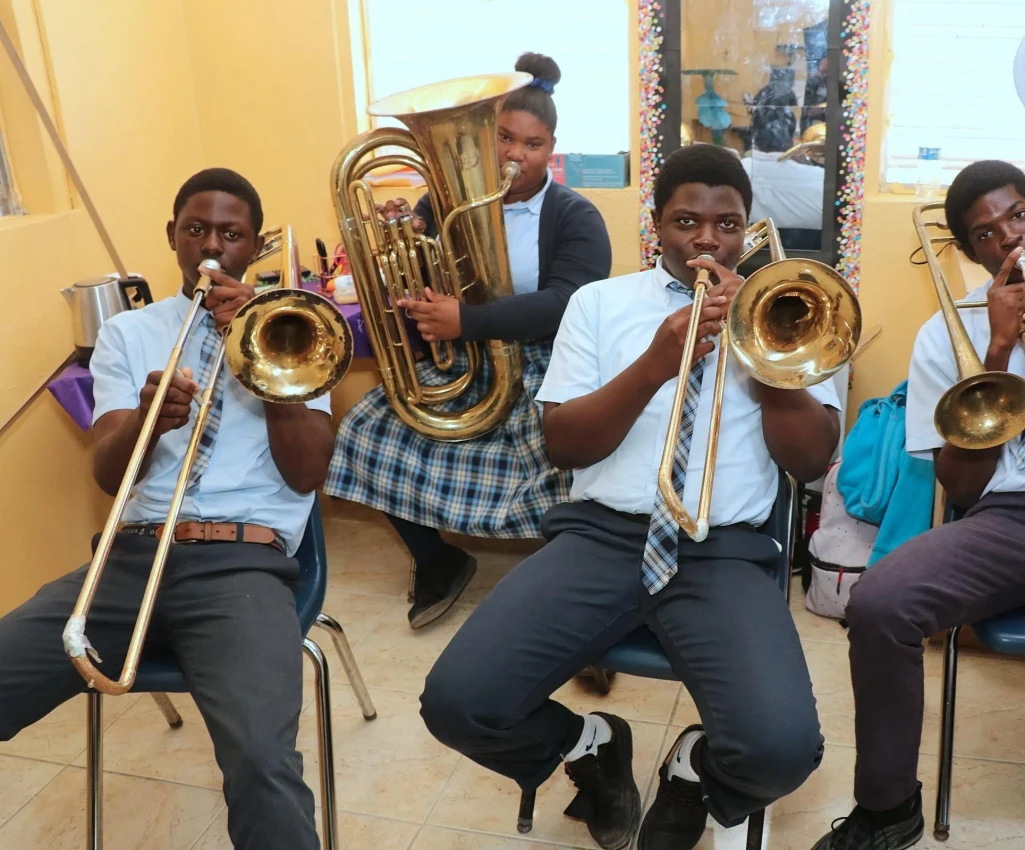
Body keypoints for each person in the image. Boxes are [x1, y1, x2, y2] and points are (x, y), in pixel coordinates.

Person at [419, 144, 841, 850]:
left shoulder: (787, 310)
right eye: (685, 221)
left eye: (727, 224)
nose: (706, 239)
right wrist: (654, 362)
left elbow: (808, 460)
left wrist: (764, 360)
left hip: (723, 552)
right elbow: (565, 445)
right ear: (655, 225)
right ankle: (588, 745)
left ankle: (693, 772)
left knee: (782, 751)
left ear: (748, 229)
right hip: (602, 536)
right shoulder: (599, 304)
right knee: (459, 705)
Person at [0, 168, 333, 850]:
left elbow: (306, 475)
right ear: (173, 237)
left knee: (262, 763)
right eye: (197, 230)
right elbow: (105, 474)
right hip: (132, 557)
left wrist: (264, 370)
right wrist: (148, 422)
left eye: (231, 234)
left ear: (254, 246)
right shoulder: (128, 334)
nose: (213, 246)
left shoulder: (294, 328)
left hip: (242, 564)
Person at [324, 52, 612, 629]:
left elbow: (566, 304)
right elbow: (426, 286)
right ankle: (436, 560)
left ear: (550, 149)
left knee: (558, 460)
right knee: (365, 429)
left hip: (548, 361)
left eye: (532, 145)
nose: (514, 154)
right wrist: (401, 250)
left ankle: (577, 596)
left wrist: (468, 321)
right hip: (470, 361)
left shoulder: (576, 216)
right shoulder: (440, 203)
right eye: (504, 137)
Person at [810, 159, 1025, 850]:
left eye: (1016, 215)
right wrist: (996, 350)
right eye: (985, 234)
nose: (1007, 238)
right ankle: (886, 808)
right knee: (880, 603)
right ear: (970, 254)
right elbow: (960, 490)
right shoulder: (946, 336)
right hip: (1006, 518)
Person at [742, 84, 825, 234]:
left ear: (753, 133)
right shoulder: (821, 179)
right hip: (808, 256)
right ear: (792, 137)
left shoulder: (734, 174)